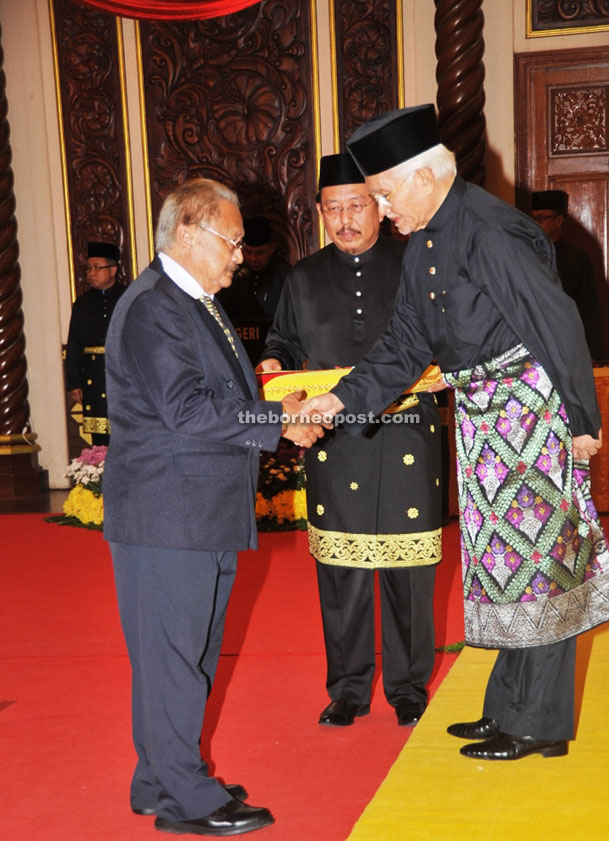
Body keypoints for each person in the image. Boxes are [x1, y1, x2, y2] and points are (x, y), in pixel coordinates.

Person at [303, 105, 609, 761]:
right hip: (486, 419)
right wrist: (337, 399)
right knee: (504, 564)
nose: (384, 209)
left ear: (426, 175)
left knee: (538, 567)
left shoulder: (488, 229)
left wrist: (583, 421)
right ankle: (509, 709)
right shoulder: (427, 235)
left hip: (529, 411)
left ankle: (539, 725)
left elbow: (557, 321)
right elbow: (403, 346)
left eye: (388, 194)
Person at [103, 179, 324, 836]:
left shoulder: (191, 300)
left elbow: (215, 397)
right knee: (175, 655)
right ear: (190, 232)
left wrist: (277, 415)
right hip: (168, 517)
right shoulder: (154, 308)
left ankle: (158, 775)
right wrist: (277, 421)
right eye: (231, 242)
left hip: (196, 512)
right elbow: (187, 409)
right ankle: (186, 799)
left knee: (184, 654)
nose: (238, 255)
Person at [258, 153, 442, 728]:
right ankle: (348, 687)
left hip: (408, 426)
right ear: (318, 212)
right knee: (341, 566)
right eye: (333, 208)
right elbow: (283, 343)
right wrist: (272, 367)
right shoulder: (303, 277)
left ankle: (408, 686)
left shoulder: (416, 261)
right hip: (333, 436)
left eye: (356, 206)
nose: (345, 220)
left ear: (379, 207)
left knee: (408, 568)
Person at [64, 241, 125, 445]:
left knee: (125, 433)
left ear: (113, 269)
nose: (91, 273)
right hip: (93, 376)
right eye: (89, 268)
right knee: (100, 439)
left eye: (97, 268)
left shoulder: (129, 298)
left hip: (123, 374)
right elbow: (74, 344)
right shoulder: (82, 303)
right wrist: (73, 382)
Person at [530, 190, 602, 360]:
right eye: (532, 219)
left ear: (558, 221)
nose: (534, 224)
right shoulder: (524, 255)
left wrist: (593, 353)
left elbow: (589, 308)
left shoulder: (577, 258)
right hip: (535, 343)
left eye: (540, 218)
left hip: (569, 344)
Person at [218, 216, 288, 364]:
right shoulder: (232, 277)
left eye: (260, 253)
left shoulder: (285, 276)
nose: (253, 258)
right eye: (248, 252)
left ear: (271, 249)